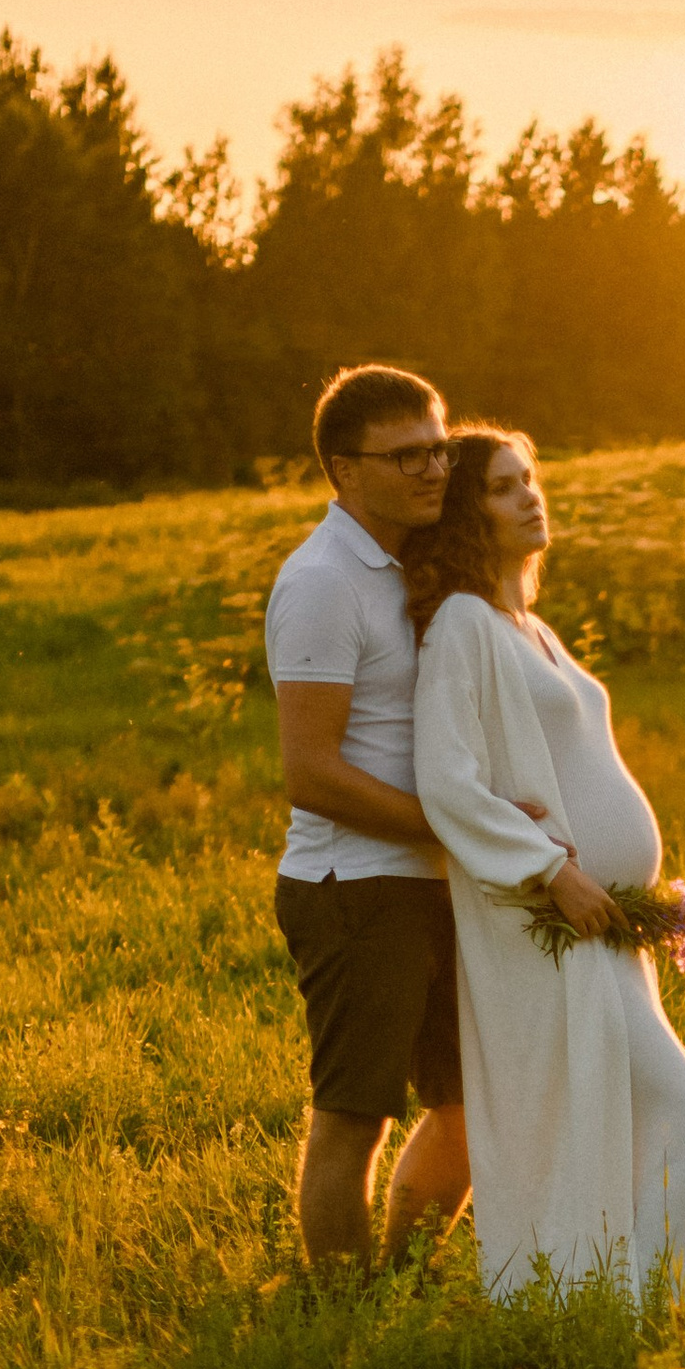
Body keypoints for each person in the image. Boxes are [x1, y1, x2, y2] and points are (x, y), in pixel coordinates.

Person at [409, 428, 685, 1302]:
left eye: (530, 479)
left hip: (606, 927)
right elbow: (448, 780)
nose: (529, 496)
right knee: (682, 1116)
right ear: (463, 512)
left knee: (617, 1118)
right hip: (549, 924)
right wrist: (549, 871)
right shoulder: (463, 626)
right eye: (500, 487)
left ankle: (609, 1302)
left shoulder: (530, 626)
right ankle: (605, 1298)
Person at [265, 362, 472, 1269]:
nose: (432, 470)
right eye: (406, 457)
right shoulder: (323, 582)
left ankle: (404, 1288)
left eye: (439, 449)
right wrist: (451, 826)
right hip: (353, 887)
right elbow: (312, 771)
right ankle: (343, 1326)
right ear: (344, 470)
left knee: (471, 1103)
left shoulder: (414, 568)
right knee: (354, 1118)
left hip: (433, 881)